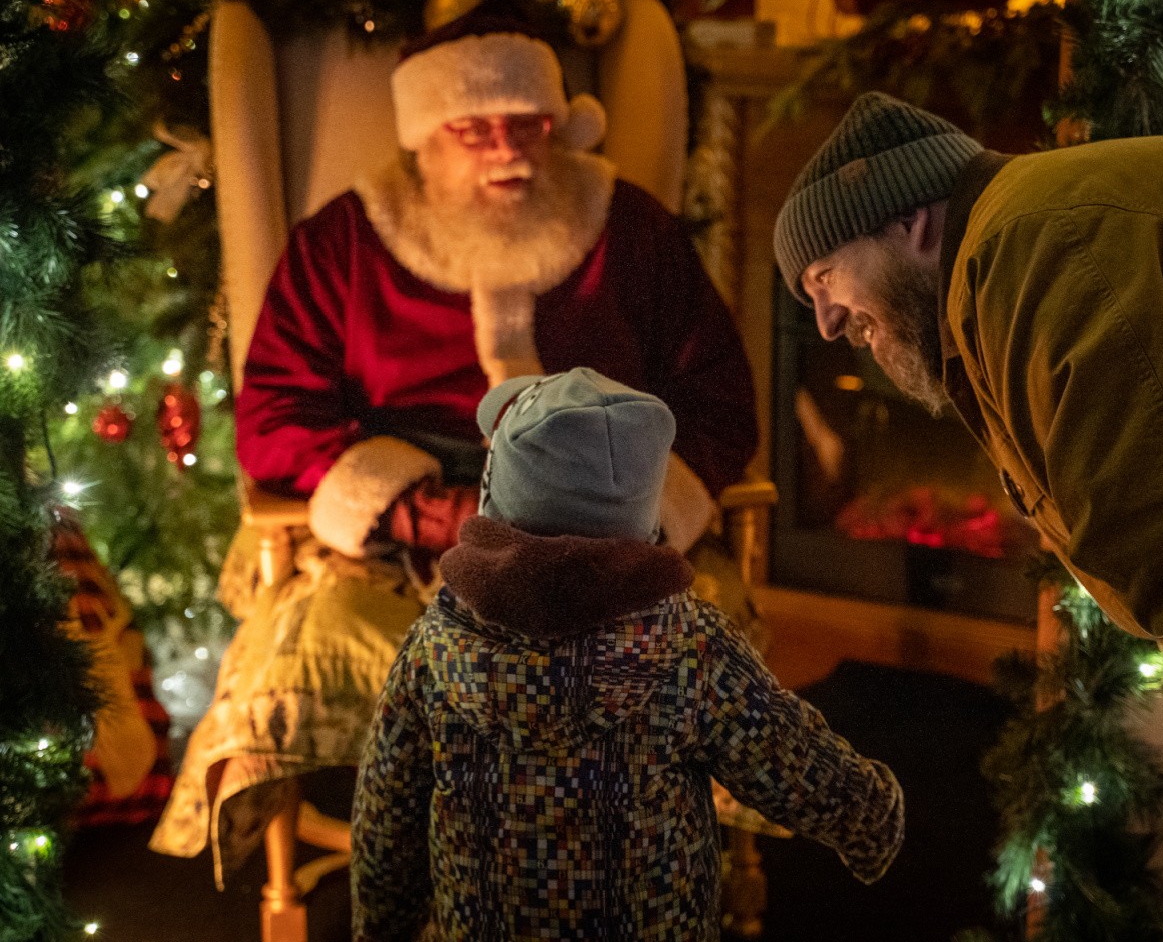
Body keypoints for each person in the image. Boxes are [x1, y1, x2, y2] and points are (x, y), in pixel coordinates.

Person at [151, 0, 758, 881]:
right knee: (308, 649)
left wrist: (638, 510)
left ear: (558, 124)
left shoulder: (628, 228)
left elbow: (719, 400)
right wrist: (410, 509)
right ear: (425, 139)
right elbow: (274, 415)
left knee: (685, 647)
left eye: (528, 122)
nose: (509, 147)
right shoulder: (345, 242)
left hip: (610, 542)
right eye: (475, 128)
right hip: (404, 550)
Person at [351, 367, 904, 941]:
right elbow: (789, 758)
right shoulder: (692, 649)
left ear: (496, 500)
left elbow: (387, 811)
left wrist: (382, 926)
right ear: (644, 516)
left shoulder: (435, 648)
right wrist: (870, 818)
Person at [773, 89, 1163, 785]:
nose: (825, 322)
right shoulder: (1006, 256)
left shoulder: (1032, 255)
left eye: (824, 277)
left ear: (912, 223)